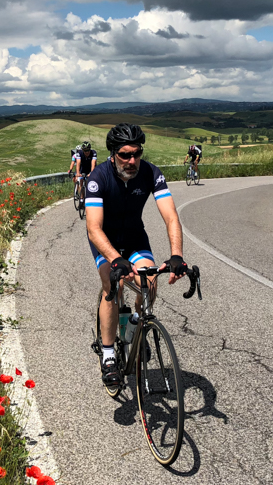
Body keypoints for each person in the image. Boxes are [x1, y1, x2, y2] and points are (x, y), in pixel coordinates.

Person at [85, 123, 189, 386]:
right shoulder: (98, 178)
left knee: (149, 282)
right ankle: (108, 353)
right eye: (125, 154)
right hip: (105, 239)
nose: (132, 160)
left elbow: (171, 217)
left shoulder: (151, 173)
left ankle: (136, 325)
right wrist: (115, 259)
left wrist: (176, 255)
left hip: (133, 238)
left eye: (137, 153)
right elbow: (94, 228)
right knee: (113, 282)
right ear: (113, 154)